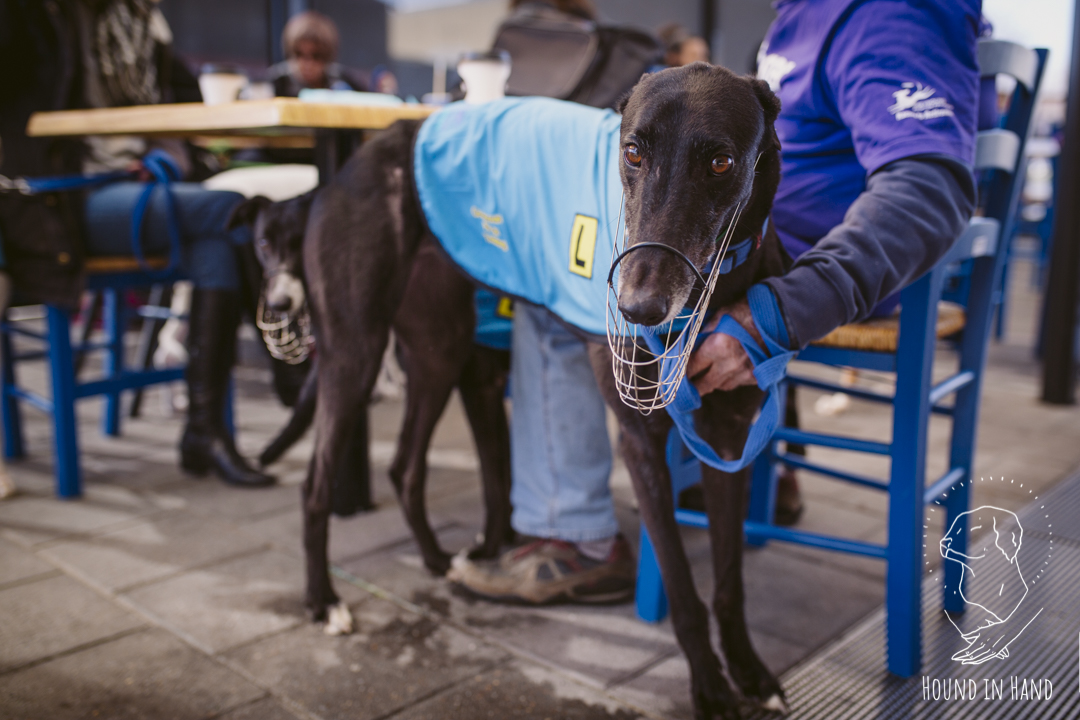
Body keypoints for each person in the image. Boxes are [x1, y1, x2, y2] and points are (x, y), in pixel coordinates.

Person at [452, 0, 979, 604]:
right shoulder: (806, 13)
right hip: (760, 246)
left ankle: (573, 538)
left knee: (556, 290)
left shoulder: (887, 14)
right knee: (581, 240)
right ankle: (752, 467)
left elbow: (926, 191)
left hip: (801, 270)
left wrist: (781, 314)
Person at [0, 0, 274, 488]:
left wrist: (165, 155)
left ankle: (205, 432)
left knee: (216, 249)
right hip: (65, 200)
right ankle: (284, 363)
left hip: (139, 188)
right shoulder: (41, 13)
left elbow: (182, 106)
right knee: (234, 208)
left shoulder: (146, 20)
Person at [267, 10, 373, 97]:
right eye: (299, 54)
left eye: (316, 56)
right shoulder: (278, 81)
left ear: (327, 57)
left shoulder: (339, 79)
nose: (307, 64)